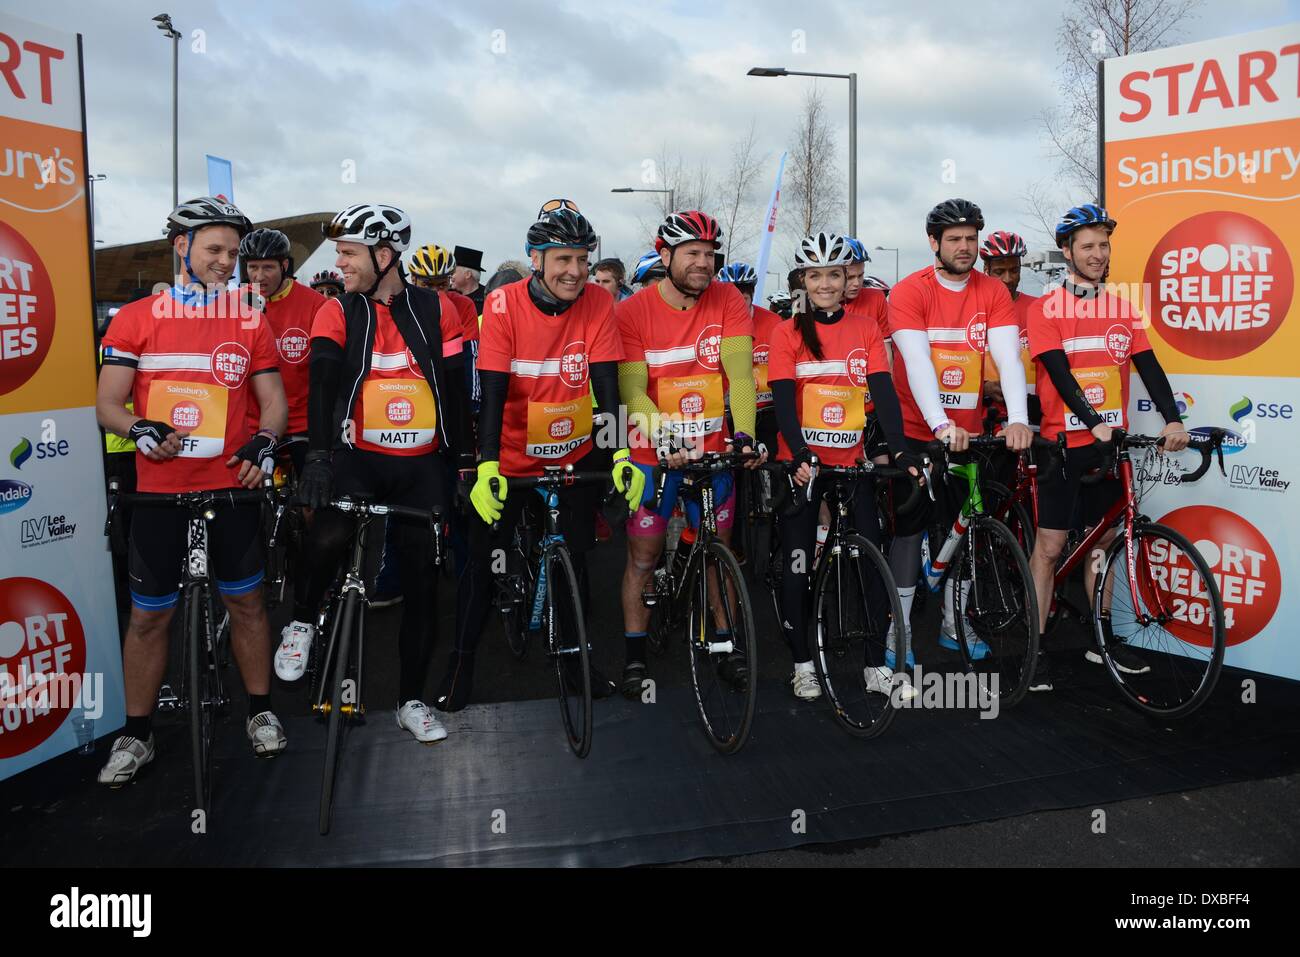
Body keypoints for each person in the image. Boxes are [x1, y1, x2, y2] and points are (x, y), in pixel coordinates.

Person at [95, 196, 289, 785]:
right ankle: (138, 733)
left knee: (248, 604)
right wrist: (139, 426)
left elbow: (274, 401)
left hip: (231, 487)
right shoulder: (135, 317)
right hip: (157, 493)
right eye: (214, 249)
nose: (226, 262)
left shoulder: (249, 315)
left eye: (232, 252)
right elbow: (107, 404)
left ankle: (259, 712)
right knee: (150, 619)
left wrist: (266, 443)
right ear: (181, 246)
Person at [438, 205, 640, 710]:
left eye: (581, 259)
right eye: (562, 259)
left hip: (572, 453)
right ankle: (461, 666)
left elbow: (607, 386)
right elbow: (491, 388)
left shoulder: (597, 303)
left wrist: (617, 454)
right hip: (509, 455)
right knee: (484, 568)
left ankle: (576, 663)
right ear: (536, 258)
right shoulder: (503, 303)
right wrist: (486, 465)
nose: (574, 270)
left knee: (576, 564)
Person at [286, 203, 473, 744]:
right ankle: (301, 619)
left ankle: (410, 700)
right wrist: (318, 457)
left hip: (422, 465)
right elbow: (321, 387)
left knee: (421, 585)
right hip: (359, 458)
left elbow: (458, 393)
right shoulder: (336, 311)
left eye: (348, 253)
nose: (339, 262)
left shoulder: (440, 310)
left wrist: (464, 463)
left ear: (384, 254)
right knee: (329, 531)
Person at [1026, 204, 1188, 691]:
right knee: (1051, 548)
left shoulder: (1122, 308)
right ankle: (1034, 652)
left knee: (1101, 543)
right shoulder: (1046, 308)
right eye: (1088, 246)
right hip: (1063, 446)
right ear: (1067, 251)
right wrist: (1093, 421)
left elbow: (1150, 367)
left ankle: (1101, 642)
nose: (1098, 254)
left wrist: (1173, 418)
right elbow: (1059, 374)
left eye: (1104, 245)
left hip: (1107, 447)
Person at [616, 210, 765, 698]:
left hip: (712, 449)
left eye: (710, 254)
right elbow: (633, 390)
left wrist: (744, 436)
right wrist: (664, 438)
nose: (705, 263)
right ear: (665, 256)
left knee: (718, 553)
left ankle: (725, 646)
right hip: (653, 453)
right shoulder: (633, 311)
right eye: (693, 254)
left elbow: (740, 376)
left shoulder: (727, 301)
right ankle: (634, 655)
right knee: (643, 556)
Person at [769, 233, 920, 700]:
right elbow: (782, 405)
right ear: (803, 281)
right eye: (816, 275)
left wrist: (900, 451)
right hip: (801, 468)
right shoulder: (787, 332)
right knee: (798, 568)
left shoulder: (865, 329)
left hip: (851, 465)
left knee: (871, 562)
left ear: (844, 278)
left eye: (834, 274)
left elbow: (885, 397)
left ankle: (876, 664)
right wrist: (798, 454)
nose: (827, 284)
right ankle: (802, 664)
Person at [886, 198, 1032, 666]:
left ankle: (955, 623)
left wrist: (1018, 418)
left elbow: (1008, 358)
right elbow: (918, 363)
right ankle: (900, 629)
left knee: (969, 525)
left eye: (971, 238)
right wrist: (940, 424)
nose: (965, 247)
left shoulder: (992, 291)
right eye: (955, 239)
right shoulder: (909, 291)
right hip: (917, 430)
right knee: (909, 531)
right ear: (934, 243)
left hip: (969, 435)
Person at [240, 228, 327, 475]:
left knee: (311, 507)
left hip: (302, 427)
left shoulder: (317, 305)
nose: (258, 276)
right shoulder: (234, 304)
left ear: (285, 265)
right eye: (252, 267)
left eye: (268, 267)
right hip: (250, 426)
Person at [979, 230, 1040, 428]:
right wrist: (983, 387)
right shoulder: (973, 308)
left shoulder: (1039, 309)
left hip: (1032, 418)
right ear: (985, 269)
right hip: (984, 419)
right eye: (999, 272)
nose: (1008, 278)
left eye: (1014, 270)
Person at [452, 245, 487, 313]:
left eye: (453, 272)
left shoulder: (487, 297)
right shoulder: (448, 295)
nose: (451, 276)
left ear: (468, 274)